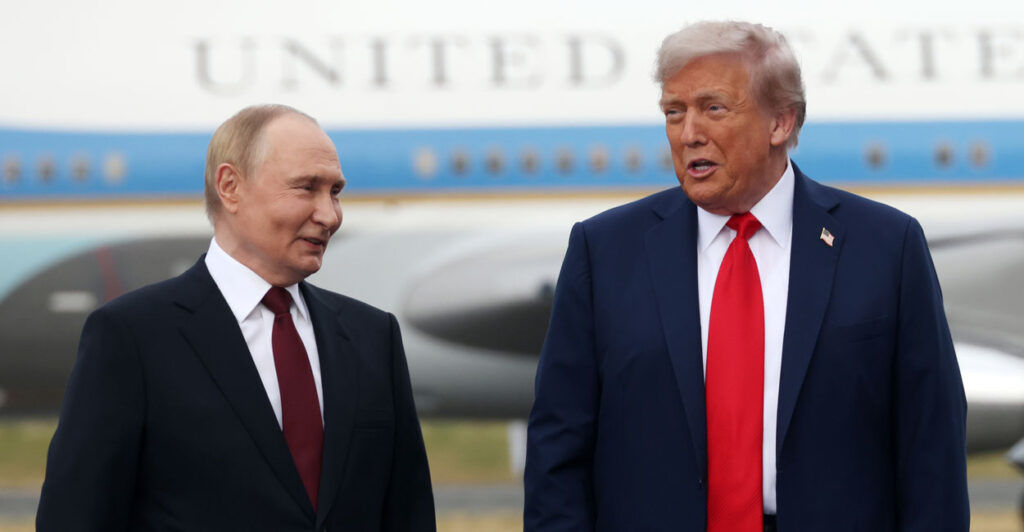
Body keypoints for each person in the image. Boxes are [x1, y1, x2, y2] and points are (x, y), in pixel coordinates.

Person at [524, 21, 969, 531]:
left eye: (713, 108)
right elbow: (557, 451)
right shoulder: (604, 252)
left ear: (781, 122)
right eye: (674, 112)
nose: (689, 133)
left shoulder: (886, 247)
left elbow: (931, 446)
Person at [37, 104, 436, 531]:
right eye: (306, 188)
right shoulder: (132, 337)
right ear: (230, 187)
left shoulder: (372, 338)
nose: (330, 215)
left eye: (335, 191)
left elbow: (407, 514)